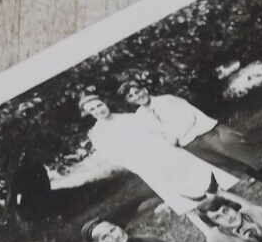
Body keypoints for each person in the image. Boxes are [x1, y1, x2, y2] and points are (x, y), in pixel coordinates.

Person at [80, 92, 237, 214]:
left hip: (167, 153)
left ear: (104, 103)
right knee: (183, 197)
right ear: (89, 113)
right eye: (92, 109)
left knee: (202, 179)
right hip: (147, 165)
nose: (98, 110)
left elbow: (158, 130)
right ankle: (209, 226)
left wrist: (169, 139)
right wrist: (140, 163)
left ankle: (235, 205)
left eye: (99, 105)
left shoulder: (130, 117)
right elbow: (115, 157)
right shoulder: (98, 134)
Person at [118, 79, 262, 187]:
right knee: (237, 165)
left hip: (207, 134)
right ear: (129, 101)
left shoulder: (167, 100)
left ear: (144, 90)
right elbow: (154, 134)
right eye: (131, 96)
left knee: (247, 157)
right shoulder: (141, 116)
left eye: (137, 91)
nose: (137, 96)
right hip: (191, 145)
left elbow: (188, 117)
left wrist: (174, 136)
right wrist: (167, 141)